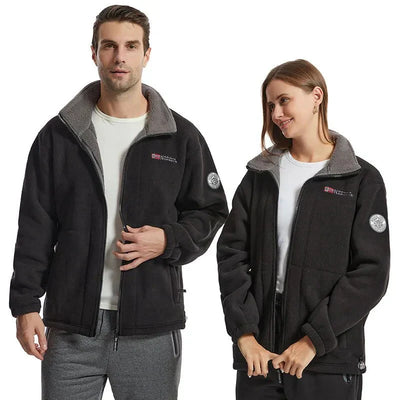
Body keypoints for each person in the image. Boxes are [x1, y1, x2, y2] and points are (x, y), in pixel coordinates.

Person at [9, 5, 228, 400]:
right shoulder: (59, 136)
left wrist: (168, 239)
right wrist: (25, 305)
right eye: (109, 46)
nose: (119, 57)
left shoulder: (180, 137)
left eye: (131, 46)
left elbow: (210, 211)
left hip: (151, 328)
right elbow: (35, 225)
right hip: (72, 329)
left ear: (147, 54)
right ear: (94, 53)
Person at [217, 59, 390, 400]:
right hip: (260, 360)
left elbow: (371, 273)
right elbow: (231, 255)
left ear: (316, 97)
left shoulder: (361, 180)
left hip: (327, 360)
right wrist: (245, 336)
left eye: (284, 100)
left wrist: (313, 340)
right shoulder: (261, 176)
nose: (276, 113)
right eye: (271, 105)